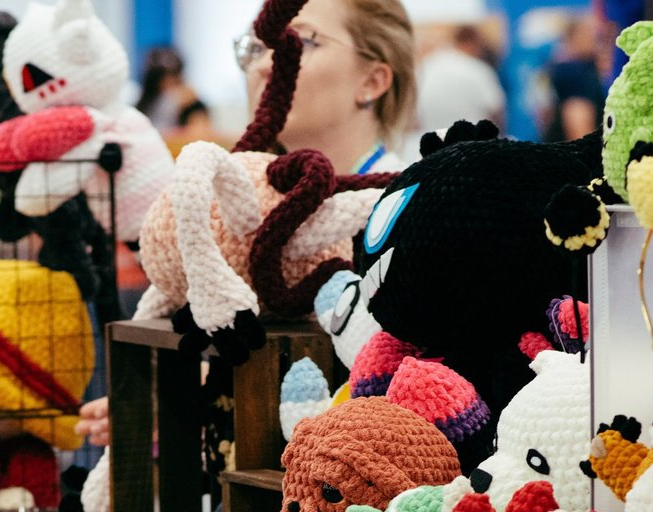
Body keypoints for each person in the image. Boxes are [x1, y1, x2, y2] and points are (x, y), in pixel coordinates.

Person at [78, 0, 417, 447]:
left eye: (301, 41)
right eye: (253, 48)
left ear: (373, 80)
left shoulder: (410, 220)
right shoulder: (240, 215)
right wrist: (174, 403)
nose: (264, 66)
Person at [414, 24, 505, 141]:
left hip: (434, 144)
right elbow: (496, 110)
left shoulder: (426, 66)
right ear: (474, 43)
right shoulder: (477, 69)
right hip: (474, 145)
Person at [544, 12, 607, 142]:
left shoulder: (578, 69)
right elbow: (578, 124)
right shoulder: (574, 72)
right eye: (590, 34)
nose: (596, 40)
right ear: (574, 37)